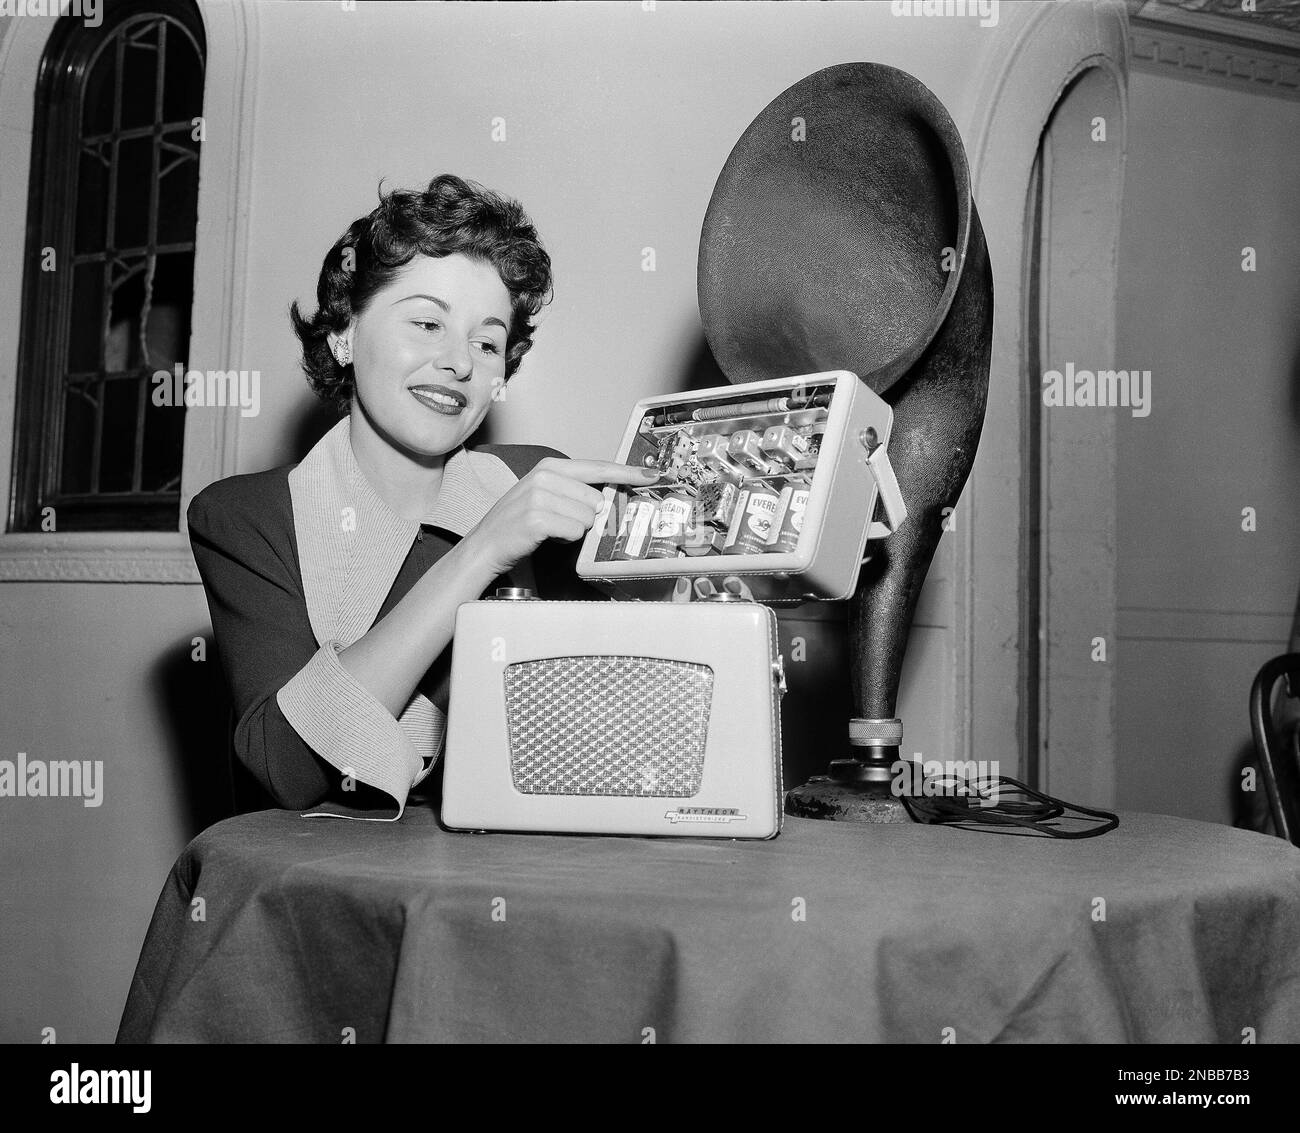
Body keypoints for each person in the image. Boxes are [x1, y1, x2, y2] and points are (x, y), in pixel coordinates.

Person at [187, 174, 658, 819]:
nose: (461, 362)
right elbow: (286, 769)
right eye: (428, 323)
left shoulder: (538, 482)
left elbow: (619, 721)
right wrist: (483, 549)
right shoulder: (247, 516)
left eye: (487, 342)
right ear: (344, 334)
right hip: (335, 883)